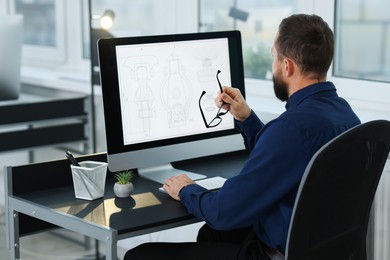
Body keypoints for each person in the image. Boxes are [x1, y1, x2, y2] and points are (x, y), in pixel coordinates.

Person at [124, 14, 361, 260]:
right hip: (322, 249)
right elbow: (286, 158)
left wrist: (186, 190)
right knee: (212, 235)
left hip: (275, 253)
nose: (273, 65)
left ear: (287, 66)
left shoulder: (290, 129)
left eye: (274, 57)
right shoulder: (347, 116)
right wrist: (246, 119)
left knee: (139, 255)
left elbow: (223, 212)